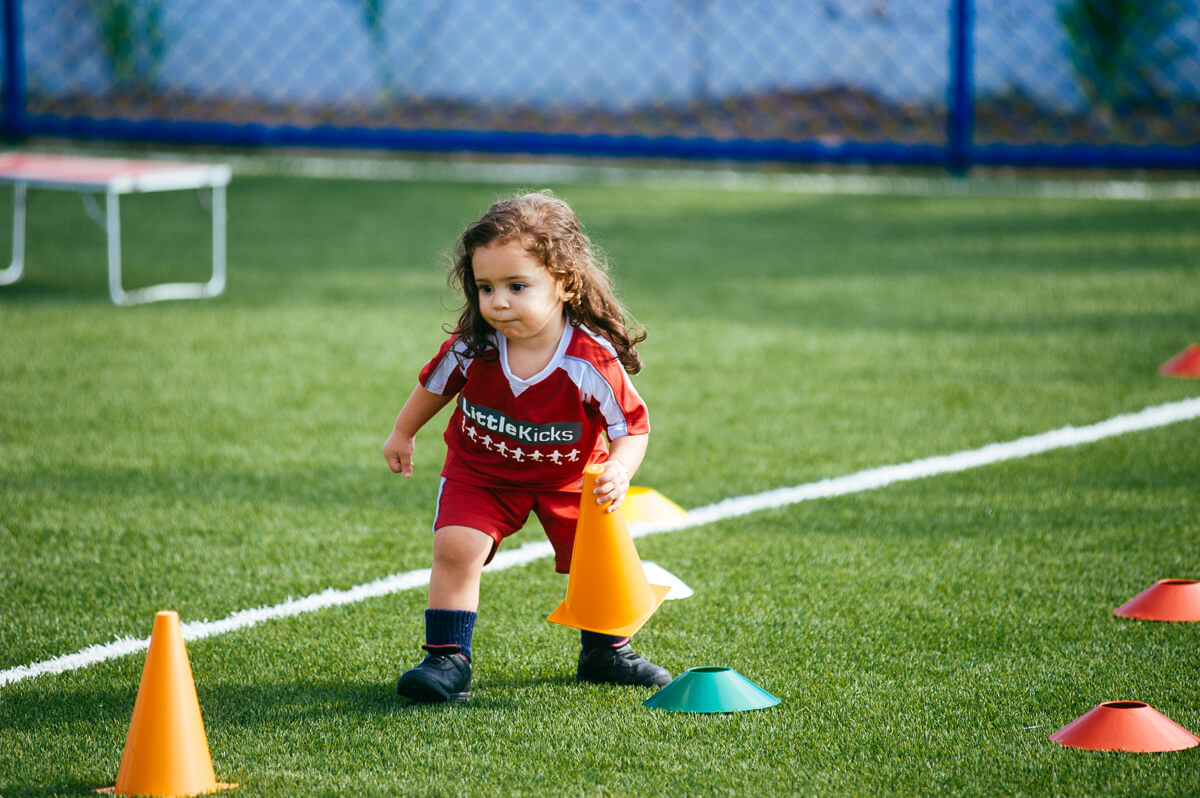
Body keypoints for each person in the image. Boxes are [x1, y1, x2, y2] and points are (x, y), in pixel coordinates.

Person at [383, 190, 671, 703]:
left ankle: (607, 650)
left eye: (517, 286)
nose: (497, 301)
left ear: (565, 284)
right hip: (480, 473)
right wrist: (403, 432)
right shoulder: (474, 345)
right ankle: (447, 658)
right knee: (456, 547)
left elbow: (632, 427)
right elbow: (434, 386)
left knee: (599, 558)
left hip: (570, 480)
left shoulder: (589, 360)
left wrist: (621, 470)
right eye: (486, 286)